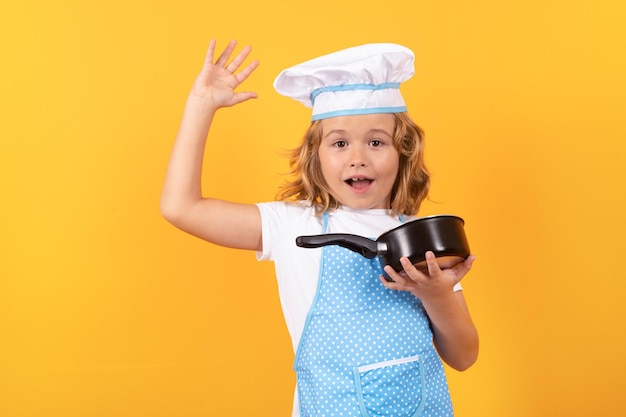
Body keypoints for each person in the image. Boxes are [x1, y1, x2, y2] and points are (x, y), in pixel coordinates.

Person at [161, 39, 479, 417]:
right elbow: (181, 208)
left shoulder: (419, 238)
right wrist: (201, 106)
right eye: (339, 143)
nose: (357, 158)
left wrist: (437, 295)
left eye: (376, 142)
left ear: (403, 152)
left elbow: (463, 356)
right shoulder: (291, 224)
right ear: (316, 156)